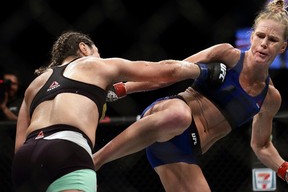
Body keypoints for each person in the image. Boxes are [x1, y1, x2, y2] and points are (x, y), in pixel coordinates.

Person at [93, 0, 288, 192]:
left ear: (282, 47)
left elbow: (262, 145)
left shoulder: (270, 98)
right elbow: (171, 72)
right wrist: (123, 88)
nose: (264, 43)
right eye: (261, 36)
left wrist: (285, 170)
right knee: (179, 116)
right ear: (252, 36)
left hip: (184, 151)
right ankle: (94, 161)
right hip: (169, 114)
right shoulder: (227, 55)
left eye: (272, 40)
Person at [11, 31, 226, 192]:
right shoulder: (94, 65)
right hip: (67, 150)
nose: (99, 56)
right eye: (98, 52)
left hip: (24, 161)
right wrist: (205, 70)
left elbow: (20, 143)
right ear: (84, 48)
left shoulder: (34, 85)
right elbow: (167, 70)